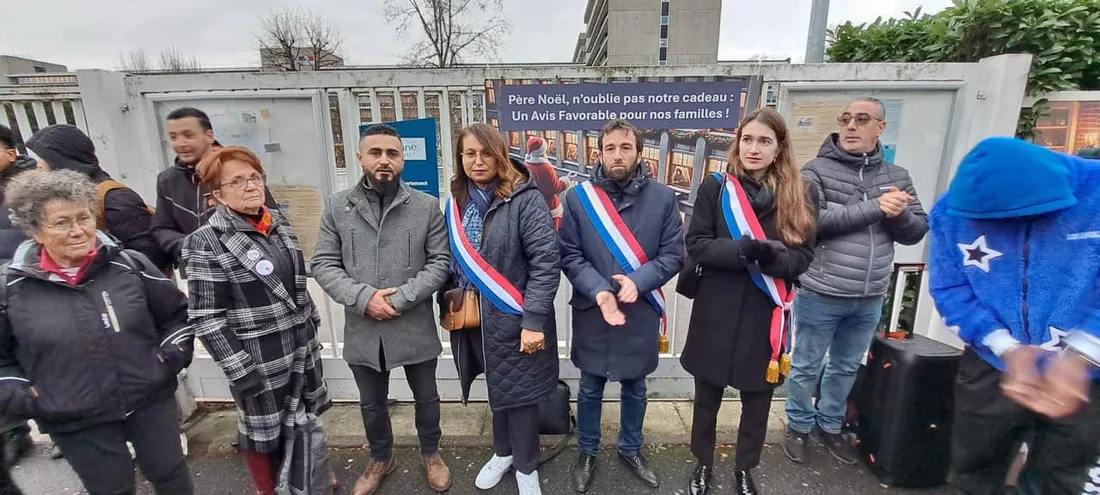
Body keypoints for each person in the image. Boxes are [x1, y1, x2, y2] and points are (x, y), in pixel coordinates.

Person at [0, 169, 195, 494]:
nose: (78, 231)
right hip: (74, 417)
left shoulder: (128, 265)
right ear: (35, 231)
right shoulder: (11, 288)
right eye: (61, 223)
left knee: (171, 475)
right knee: (111, 488)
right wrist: (29, 397)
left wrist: (168, 358)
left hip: (148, 400)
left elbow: (176, 316)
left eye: (84, 218)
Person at [929, 137, 1100, 494]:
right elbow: (950, 289)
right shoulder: (950, 213)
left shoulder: (1094, 193)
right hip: (993, 361)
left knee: (1065, 476)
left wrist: (1082, 356)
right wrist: (1005, 346)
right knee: (972, 467)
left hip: (1089, 371)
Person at [784, 97, 928, 465]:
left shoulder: (898, 176)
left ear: (880, 127)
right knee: (806, 364)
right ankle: (798, 426)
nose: (850, 126)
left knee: (846, 365)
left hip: (870, 294)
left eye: (861, 119)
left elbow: (915, 231)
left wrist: (896, 216)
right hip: (822, 289)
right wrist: (876, 207)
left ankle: (830, 425)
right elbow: (812, 224)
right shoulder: (814, 172)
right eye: (846, 119)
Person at [681, 109, 816, 495]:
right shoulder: (716, 188)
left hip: (765, 312)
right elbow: (697, 245)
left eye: (764, 141)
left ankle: (744, 468)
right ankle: (702, 463)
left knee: (756, 402)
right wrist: (744, 250)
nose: (753, 149)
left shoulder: (799, 193)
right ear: (738, 144)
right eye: (747, 140)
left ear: (779, 148)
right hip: (716, 309)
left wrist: (772, 257)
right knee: (707, 399)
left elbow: (803, 256)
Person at [312, 124, 452, 495]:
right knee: (372, 404)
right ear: (360, 158)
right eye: (375, 153)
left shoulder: (426, 207)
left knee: (427, 397)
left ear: (402, 159)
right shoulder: (337, 208)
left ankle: (431, 453)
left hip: (413, 323)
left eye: (392, 153)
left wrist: (400, 298)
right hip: (363, 327)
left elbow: (440, 262)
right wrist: (363, 299)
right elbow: (323, 264)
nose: (384, 160)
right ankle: (380, 458)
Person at [182, 147, 331, 495]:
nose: (250, 186)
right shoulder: (206, 242)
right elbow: (206, 316)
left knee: (304, 419)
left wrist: (312, 323)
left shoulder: (276, 224)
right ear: (217, 194)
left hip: (299, 347)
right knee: (265, 433)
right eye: (237, 181)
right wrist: (240, 370)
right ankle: (269, 488)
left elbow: (296, 284)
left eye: (254, 177)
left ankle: (308, 476)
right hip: (258, 358)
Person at [559, 119, 684, 492]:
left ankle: (631, 449)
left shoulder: (663, 198)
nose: (617, 154)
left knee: (636, 387)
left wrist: (639, 281)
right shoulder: (579, 199)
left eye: (625, 147)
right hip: (592, 307)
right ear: (599, 153)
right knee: (590, 386)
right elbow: (569, 254)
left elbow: (672, 255)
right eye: (610, 148)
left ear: (639, 153)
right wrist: (599, 289)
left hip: (638, 307)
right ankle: (587, 451)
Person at [443, 123, 560, 495]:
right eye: (469, 154)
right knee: (498, 388)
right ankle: (503, 452)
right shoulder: (455, 202)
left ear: (499, 154)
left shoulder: (524, 198)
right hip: (473, 317)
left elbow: (545, 263)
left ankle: (526, 466)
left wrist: (534, 321)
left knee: (521, 396)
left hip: (516, 316)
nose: (478, 162)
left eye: (485, 153)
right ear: (461, 159)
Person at [25, 124, 169, 271]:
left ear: (62, 159)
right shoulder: (67, 197)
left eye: (43, 158)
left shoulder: (114, 197)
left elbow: (150, 256)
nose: (39, 165)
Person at [151, 108, 276, 272]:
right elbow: (161, 229)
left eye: (189, 135)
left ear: (209, 136)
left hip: (250, 269)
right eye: (174, 137)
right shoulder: (168, 180)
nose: (181, 143)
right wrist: (193, 245)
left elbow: (271, 220)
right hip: (199, 270)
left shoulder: (238, 171)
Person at [0, 126, 37, 468]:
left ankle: (60, 427)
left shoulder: (31, 190)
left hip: (30, 283)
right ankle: (14, 430)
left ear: (10, 152)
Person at [523, 136, 569, 229]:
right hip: (549, 206)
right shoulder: (545, 167)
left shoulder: (525, 165)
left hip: (533, 206)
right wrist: (565, 181)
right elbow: (554, 188)